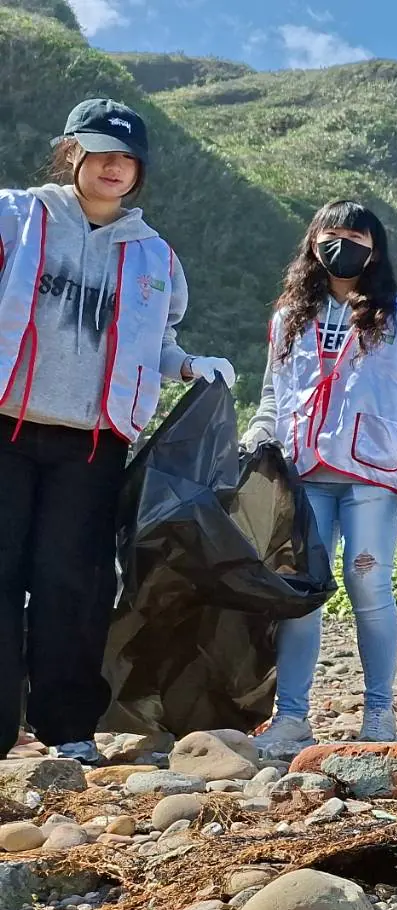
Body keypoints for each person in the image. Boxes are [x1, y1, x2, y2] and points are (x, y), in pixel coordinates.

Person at [0, 99, 235, 764]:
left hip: (93, 444)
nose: (114, 166)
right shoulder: (16, 217)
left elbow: (157, 340)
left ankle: (68, 729)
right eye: (101, 151)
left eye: (128, 157)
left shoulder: (154, 255)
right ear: (70, 151)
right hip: (5, 428)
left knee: (72, 585)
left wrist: (188, 365)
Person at [244, 200, 397, 756]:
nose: (342, 245)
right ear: (313, 242)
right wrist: (257, 433)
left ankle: (379, 710)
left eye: (356, 237)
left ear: (374, 250)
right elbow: (273, 393)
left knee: (367, 581)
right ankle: (291, 717)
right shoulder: (289, 317)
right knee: (303, 593)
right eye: (332, 234)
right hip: (304, 471)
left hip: (373, 473)